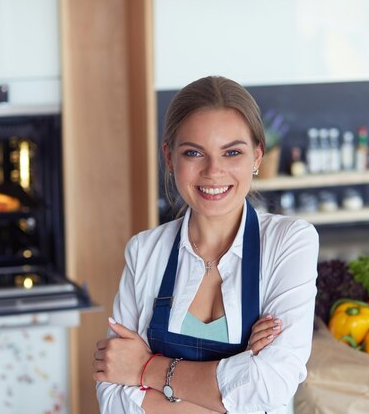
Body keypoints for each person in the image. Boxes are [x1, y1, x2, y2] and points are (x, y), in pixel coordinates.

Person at [92, 76, 319, 414]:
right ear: (170, 158)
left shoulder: (289, 243)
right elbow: (114, 398)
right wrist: (235, 378)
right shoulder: (144, 252)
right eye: (194, 152)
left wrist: (146, 368)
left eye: (232, 152)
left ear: (257, 156)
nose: (214, 171)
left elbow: (272, 384)